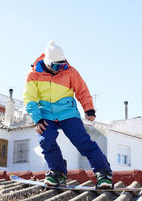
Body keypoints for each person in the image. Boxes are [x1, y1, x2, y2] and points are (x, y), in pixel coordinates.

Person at [23, 40, 113, 189]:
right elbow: (29, 98)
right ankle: (57, 172)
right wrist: (37, 118)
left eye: (62, 64)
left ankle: (104, 173)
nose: (60, 69)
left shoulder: (70, 71)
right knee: (46, 140)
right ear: (48, 62)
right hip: (46, 113)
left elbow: (82, 90)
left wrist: (89, 108)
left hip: (68, 112)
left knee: (83, 142)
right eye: (56, 66)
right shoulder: (34, 74)